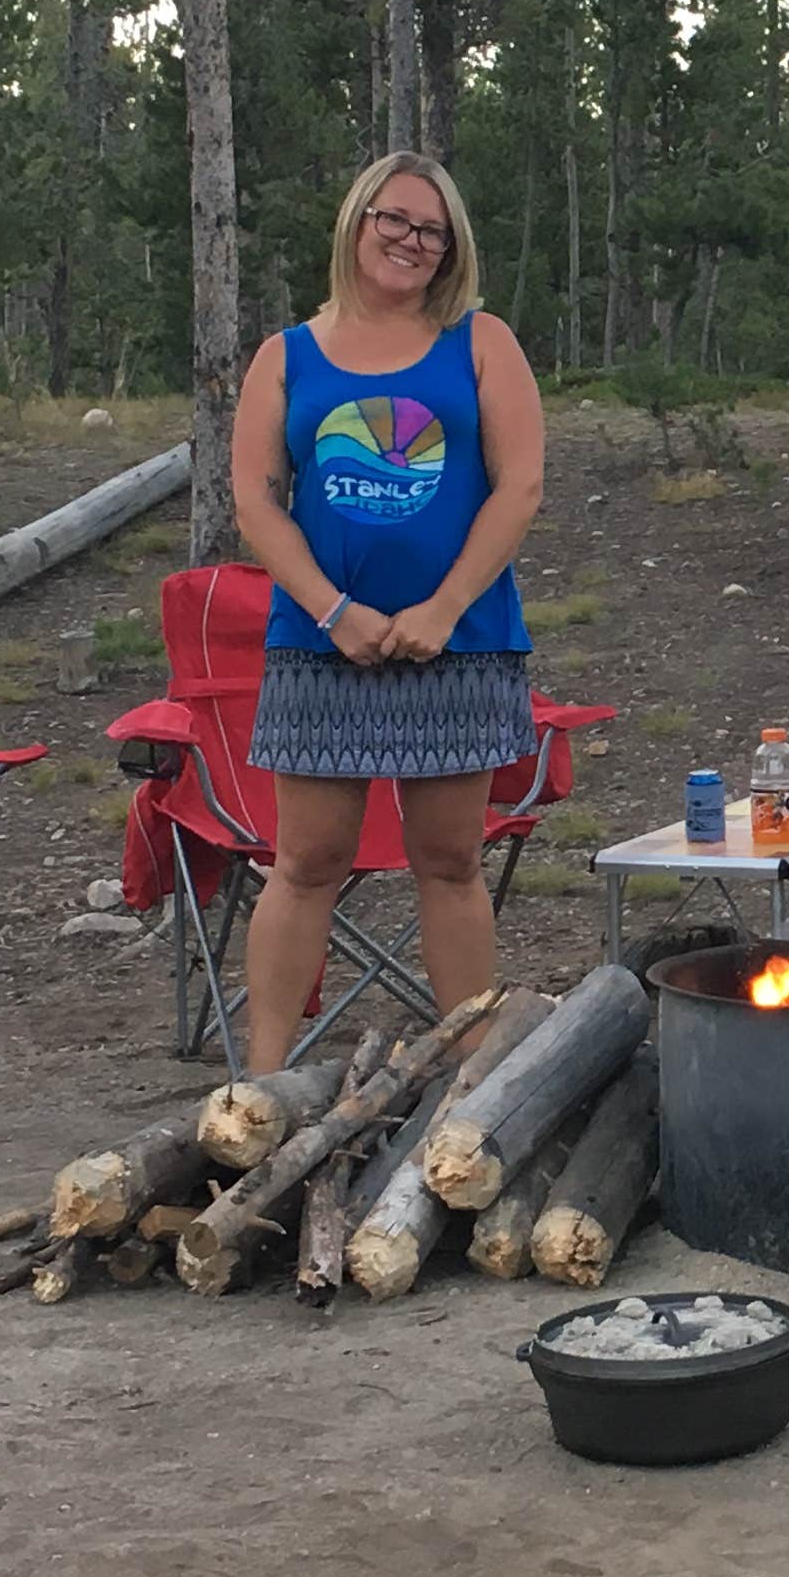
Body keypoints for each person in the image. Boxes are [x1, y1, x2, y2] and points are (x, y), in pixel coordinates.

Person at [229, 150, 544, 1072]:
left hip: (461, 644)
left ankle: (474, 1077)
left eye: (431, 230)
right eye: (394, 220)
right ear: (356, 223)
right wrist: (334, 613)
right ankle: (262, 1087)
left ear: (452, 250)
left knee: (449, 863)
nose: (410, 240)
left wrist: (445, 608)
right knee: (306, 864)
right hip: (320, 648)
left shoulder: (482, 344)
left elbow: (519, 485)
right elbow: (256, 498)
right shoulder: (285, 356)